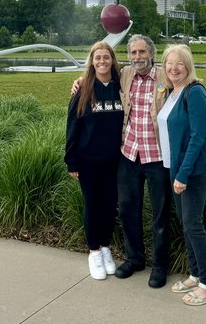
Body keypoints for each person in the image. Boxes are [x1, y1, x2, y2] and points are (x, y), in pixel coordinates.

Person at [71, 34, 170, 288]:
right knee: (126, 211)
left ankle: (159, 266)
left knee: (159, 214)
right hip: (128, 155)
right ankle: (134, 258)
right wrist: (80, 80)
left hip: (156, 156)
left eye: (142, 52)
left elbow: (185, 80)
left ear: (151, 54)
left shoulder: (162, 77)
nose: (138, 57)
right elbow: (76, 120)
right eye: (134, 53)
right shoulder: (124, 77)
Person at [155, 44, 206, 306]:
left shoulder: (194, 93)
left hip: (191, 171)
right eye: (169, 63)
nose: (173, 68)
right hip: (175, 168)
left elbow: (197, 137)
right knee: (186, 223)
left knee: (193, 224)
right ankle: (195, 273)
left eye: (179, 63)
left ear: (188, 66)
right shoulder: (173, 92)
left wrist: (182, 174)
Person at [64, 41, 124, 280]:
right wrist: (72, 161)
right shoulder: (83, 89)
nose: (102, 61)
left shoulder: (121, 86)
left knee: (110, 205)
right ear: (92, 61)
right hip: (88, 160)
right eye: (97, 58)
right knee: (93, 205)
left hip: (115, 160)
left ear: (112, 60)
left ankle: (106, 247)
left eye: (106, 57)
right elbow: (72, 126)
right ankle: (93, 252)